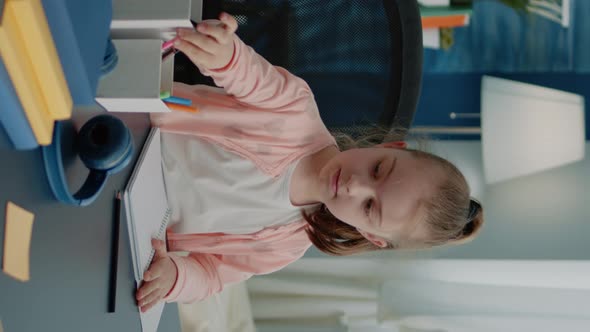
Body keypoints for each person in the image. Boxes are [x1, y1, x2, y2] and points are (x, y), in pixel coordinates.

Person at [136, 12, 484, 313]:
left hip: (130, 221)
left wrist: (175, 278)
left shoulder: (284, 246)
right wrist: (225, 54)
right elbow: (249, 75)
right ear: (390, 145)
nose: (354, 185)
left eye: (368, 207)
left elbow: (212, 273)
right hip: (128, 126)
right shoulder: (295, 110)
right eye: (377, 169)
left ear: (370, 235)